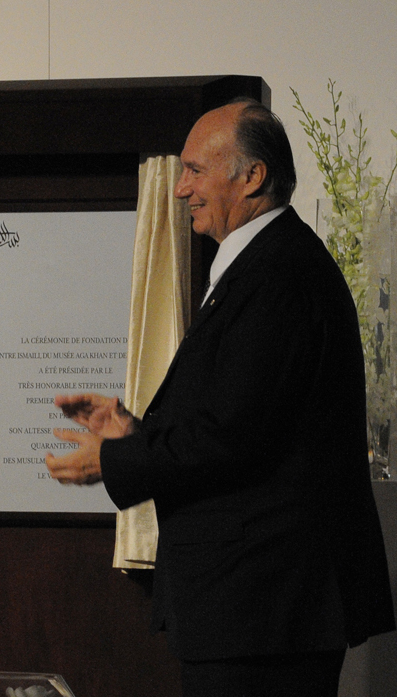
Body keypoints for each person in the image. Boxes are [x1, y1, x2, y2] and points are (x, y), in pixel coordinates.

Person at [44, 100, 394, 696]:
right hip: (255, 609)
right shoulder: (266, 264)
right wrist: (135, 433)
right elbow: (237, 415)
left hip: (266, 608)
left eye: (194, 171)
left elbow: (235, 438)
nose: (180, 190)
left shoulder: (278, 273)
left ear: (252, 177)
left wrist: (114, 460)